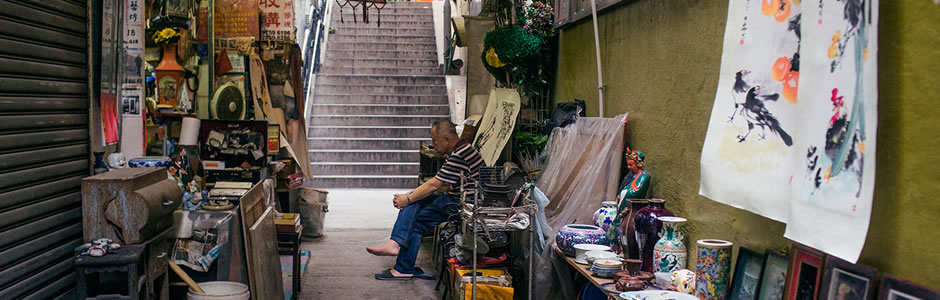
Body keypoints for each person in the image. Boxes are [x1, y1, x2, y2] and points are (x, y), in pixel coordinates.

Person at [366, 119, 484, 280]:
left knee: (416, 218)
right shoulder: (460, 150)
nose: (433, 145)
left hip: (465, 204)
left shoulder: (459, 154)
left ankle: (400, 260)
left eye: (434, 141)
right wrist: (410, 196)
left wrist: (407, 198)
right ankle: (398, 254)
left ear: (447, 139)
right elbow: (438, 183)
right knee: (415, 207)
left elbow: (435, 184)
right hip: (458, 198)